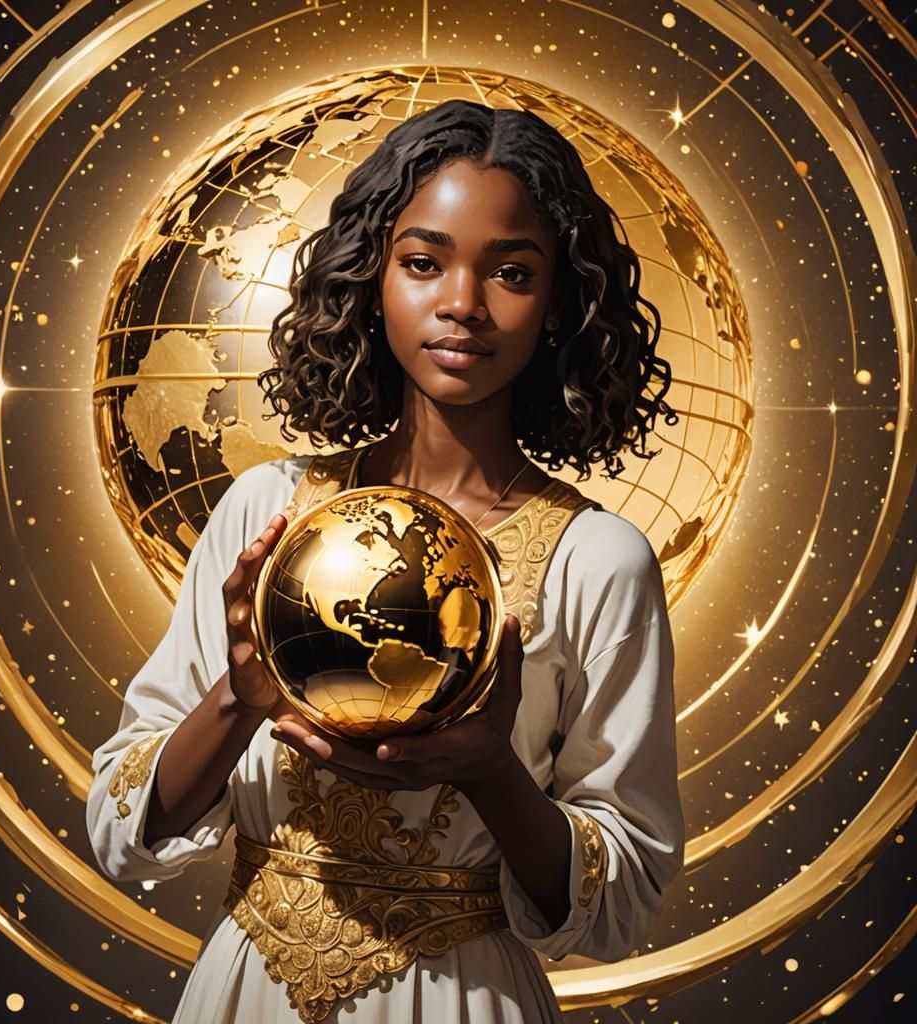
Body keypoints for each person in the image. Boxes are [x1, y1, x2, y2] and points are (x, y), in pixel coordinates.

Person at [86, 98, 685, 1024]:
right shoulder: (269, 512)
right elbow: (121, 825)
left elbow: (626, 891)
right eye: (422, 262)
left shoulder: (598, 559)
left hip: (464, 998)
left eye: (513, 271)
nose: (462, 304)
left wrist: (492, 770)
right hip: (248, 991)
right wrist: (239, 700)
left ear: (561, 300)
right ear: (372, 279)